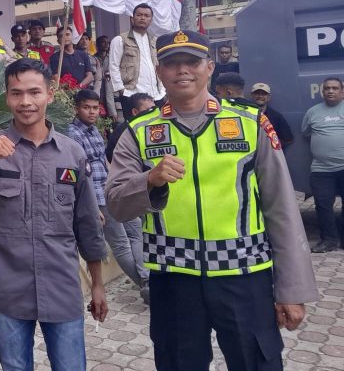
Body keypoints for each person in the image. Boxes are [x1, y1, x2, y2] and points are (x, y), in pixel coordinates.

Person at [106, 29, 317, 371]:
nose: (182, 70)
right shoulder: (138, 131)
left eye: (191, 61)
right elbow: (116, 203)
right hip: (174, 280)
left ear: (209, 68)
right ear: (160, 72)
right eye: (172, 63)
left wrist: (292, 289)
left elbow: (282, 209)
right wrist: (149, 179)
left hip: (244, 274)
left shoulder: (250, 122)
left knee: (256, 362)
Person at [0, 58, 108, 371]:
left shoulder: (72, 152)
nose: (25, 102)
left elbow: (87, 223)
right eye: (16, 93)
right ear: (6, 97)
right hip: (7, 288)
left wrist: (98, 284)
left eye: (34, 92)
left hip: (61, 285)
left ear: (50, 94)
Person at [66, 89, 149, 302]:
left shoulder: (94, 131)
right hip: (95, 197)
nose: (92, 112)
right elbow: (80, 174)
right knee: (120, 242)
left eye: (95, 108)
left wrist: (121, 185)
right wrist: (92, 208)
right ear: (77, 109)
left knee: (137, 230)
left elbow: (104, 161)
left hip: (111, 191)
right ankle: (146, 285)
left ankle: (148, 280)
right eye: (87, 107)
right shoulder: (72, 134)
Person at [301, 77, 344, 253]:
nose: (331, 91)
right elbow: (305, 132)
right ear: (322, 91)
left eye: (335, 88)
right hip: (321, 169)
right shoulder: (312, 112)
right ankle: (329, 241)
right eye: (327, 88)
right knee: (323, 206)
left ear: (342, 91)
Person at [108, 3, 165, 121]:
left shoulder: (155, 41)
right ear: (132, 18)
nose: (143, 18)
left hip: (155, 95)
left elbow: (160, 66)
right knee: (135, 129)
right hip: (131, 93)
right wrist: (121, 89)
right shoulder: (120, 40)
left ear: (151, 20)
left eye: (146, 16)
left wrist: (163, 90)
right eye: (139, 15)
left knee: (157, 129)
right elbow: (113, 66)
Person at [105, 92, 155, 163]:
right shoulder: (124, 132)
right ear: (135, 112)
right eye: (148, 110)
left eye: (154, 110)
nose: (154, 114)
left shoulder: (151, 128)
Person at [250, 82, 294, 147]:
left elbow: (288, 139)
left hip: (271, 156)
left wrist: (273, 146)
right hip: (251, 155)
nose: (260, 96)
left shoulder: (277, 117)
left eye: (264, 94)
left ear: (269, 97)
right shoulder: (245, 115)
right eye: (257, 93)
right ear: (252, 95)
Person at [91, 34, 115, 119]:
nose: (106, 44)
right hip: (98, 93)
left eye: (108, 43)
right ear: (97, 45)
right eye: (103, 42)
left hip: (111, 95)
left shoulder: (113, 59)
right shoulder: (92, 59)